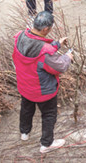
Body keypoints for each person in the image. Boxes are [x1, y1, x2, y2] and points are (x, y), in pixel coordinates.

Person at [12, 11, 72, 154]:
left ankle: (24, 133)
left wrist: (57, 44)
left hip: (25, 85)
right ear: (45, 29)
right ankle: (47, 144)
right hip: (42, 90)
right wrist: (68, 57)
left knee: (26, 109)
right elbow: (60, 66)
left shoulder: (20, 36)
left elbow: (36, 48)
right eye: (50, 28)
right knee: (49, 114)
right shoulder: (45, 52)